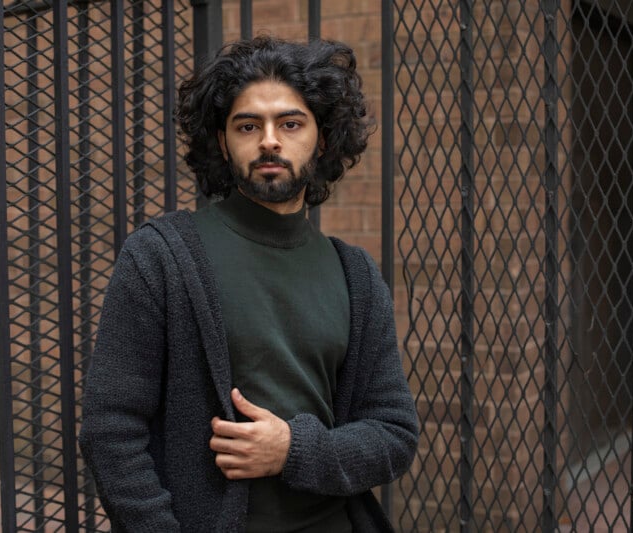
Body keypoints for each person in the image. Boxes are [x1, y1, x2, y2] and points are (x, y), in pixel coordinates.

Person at [78, 36, 419, 532]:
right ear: (223, 142)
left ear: (322, 138)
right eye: (247, 125)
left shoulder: (357, 275)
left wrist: (294, 450)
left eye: (290, 122)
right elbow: (110, 431)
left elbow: (393, 434)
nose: (269, 140)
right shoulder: (162, 257)